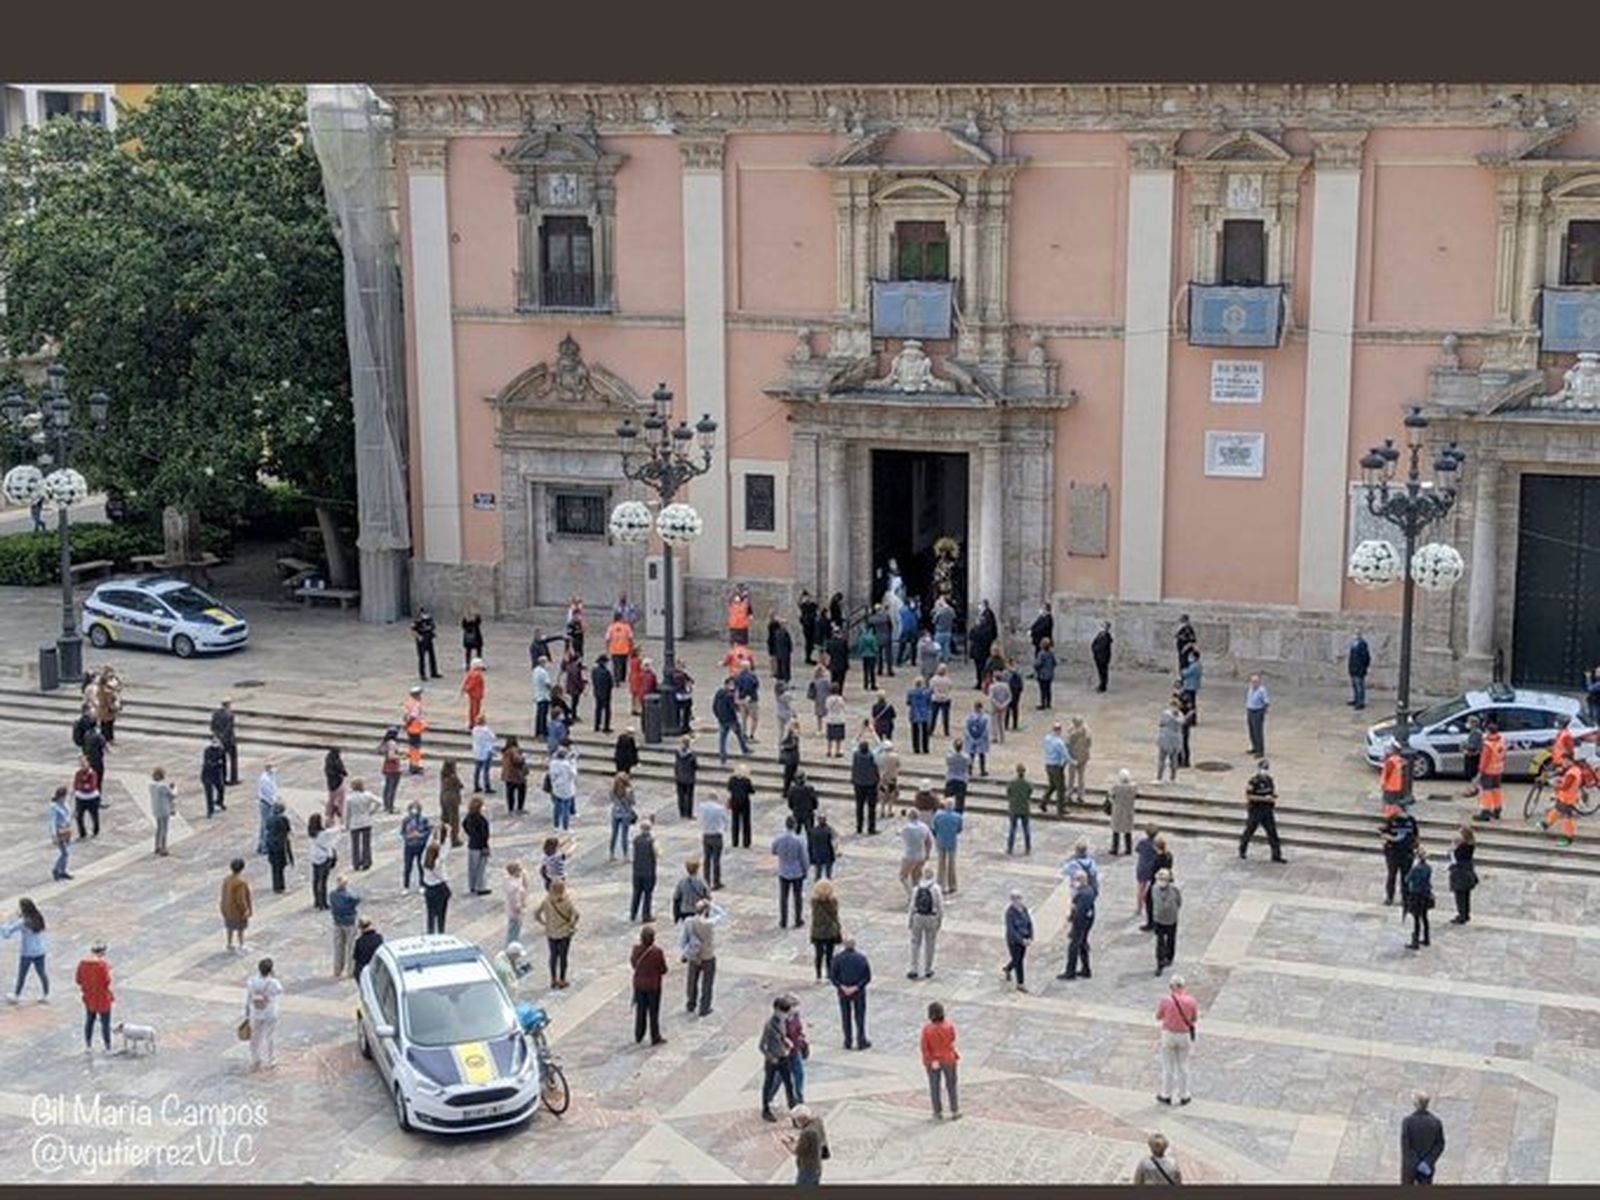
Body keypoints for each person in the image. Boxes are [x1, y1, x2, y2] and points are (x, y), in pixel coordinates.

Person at [1155, 976, 1198, 1106]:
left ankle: (1166, 1094)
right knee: (1183, 1065)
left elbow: (1158, 1016)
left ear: (1171, 986)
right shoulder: (1191, 1001)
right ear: (1184, 986)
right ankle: (1184, 1095)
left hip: (1168, 1034)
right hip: (1184, 1035)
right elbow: (1194, 1019)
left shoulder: (1165, 1000)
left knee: (1168, 1066)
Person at [534, 878, 580, 989]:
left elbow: (536, 914)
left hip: (551, 932)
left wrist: (544, 923)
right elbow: (576, 914)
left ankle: (553, 979)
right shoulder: (566, 901)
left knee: (553, 956)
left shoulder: (546, 901)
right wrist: (571, 924)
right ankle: (562, 979)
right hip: (564, 932)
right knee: (563, 957)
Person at [1239, 760, 1287, 862]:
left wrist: (1273, 797)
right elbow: (1249, 796)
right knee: (1249, 831)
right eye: (1262, 768)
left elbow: (1272, 792)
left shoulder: (1269, 780)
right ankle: (1242, 850)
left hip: (1267, 810)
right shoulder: (1253, 781)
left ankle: (1276, 856)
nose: (1264, 771)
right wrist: (1264, 799)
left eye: (1266, 769)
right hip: (1256, 810)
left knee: (1272, 833)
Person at [921, 1001, 961, 1119]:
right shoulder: (949, 1026)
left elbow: (924, 1047)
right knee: (951, 1085)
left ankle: (937, 1111)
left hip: (933, 1060)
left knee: (934, 1086)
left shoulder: (927, 1030)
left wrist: (930, 1059)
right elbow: (952, 1038)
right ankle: (955, 1110)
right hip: (948, 1058)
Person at [829, 939, 872, 1050]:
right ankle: (861, 1040)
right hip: (858, 992)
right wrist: (856, 987)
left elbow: (833, 976)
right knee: (860, 1017)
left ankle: (848, 1040)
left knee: (845, 1016)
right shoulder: (861, 959)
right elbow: (867, 977)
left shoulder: (837, 959)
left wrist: (841, 986)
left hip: (843, 992)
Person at [760, 996, 798, 1122]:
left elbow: (783, 1035)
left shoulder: (782, 1021)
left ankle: (793, 1108)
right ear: (776, 1009)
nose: (785, 1015)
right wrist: (771, 1057)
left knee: (789, 1084)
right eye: (783, 1012)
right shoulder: (769, 1026)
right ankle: (765, 1109)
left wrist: (786, 1041)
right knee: (768, 1084)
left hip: (783, 1056)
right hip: (773, 1059)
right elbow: (761, 1046)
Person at [4, 899, 49, 1003]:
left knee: (22, 974)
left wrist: (5, 924)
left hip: (27, 952)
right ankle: (46, 994)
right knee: (42, 973)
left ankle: (16, 995)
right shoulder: (38, 917)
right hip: (40, 950)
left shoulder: (23, 922)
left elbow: (8, 932)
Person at [631, 924, 668, 1046]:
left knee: (640, 1010)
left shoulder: (636, 949)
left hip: (639, 985)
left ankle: (639, 1034)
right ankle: (655, 1036)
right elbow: (663, 969)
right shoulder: (657, 952)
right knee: (653, 1012)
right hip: (653, 986)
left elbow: (633, 963)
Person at [75, 941, 114, 1056]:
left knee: (89, 1020)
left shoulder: (82, 964)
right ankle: (107, 1047)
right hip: (102, 998)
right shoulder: (102, 965)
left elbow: (78, 980)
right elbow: (106, 982)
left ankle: (88, 1045)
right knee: (105, 1023)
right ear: (102, 953)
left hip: (89, 997)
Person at [243, 957, 282, 1071]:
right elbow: (279, 990)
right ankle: (271, 1059)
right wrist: (273, 976)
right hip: (270, 1012)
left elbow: (248, 998)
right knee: (270, 1036)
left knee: (255, 1037)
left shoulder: (252, 981)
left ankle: (256, 1059)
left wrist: (247, 1014)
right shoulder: (273, 982)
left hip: (256, 1012)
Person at [682, 897, 718, 1018]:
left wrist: (686, 952)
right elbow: (723, 915)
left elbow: (683, 940)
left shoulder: (688, 922)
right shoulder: (709, 924)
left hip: (694, 955)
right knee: (707, 983)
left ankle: (691, 1004)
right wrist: (712, 905)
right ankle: (704, 1007)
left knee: (692, 981)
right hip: (708, 955)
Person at [1400, 1093, 1446, 1185]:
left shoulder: (1408, 1122)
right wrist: (1427, 1161)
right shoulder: (1436, 1122)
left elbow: (1406, 1146)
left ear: (1416, 1104)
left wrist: (1416, 1163)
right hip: (1427, 1167)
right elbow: (1440, 1144)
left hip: (1410, 1167)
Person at [773, 817, 810, 928]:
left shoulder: (779, 838)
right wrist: (805, 870)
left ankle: (783, 920)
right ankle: (798, 919)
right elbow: (804, 858)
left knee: (783, 897)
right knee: (797, 896)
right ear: (794, 825)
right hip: (796, 872)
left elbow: (773, 850)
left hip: (783, 870)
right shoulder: (799, 840)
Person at [907, 865, 943, 979]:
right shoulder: (936, 888)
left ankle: (914, 968)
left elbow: (912, 905)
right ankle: (928, 969)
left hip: (918, 916)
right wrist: (939, 921)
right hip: (931, 917)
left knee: (915, 943)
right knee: (930, 944)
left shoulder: (917, 888)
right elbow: (940, 906)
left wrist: (910, 920)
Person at [1059, 868, 1096, 980]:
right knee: (1082, 944)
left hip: (1081, 924)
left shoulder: (1083, 894)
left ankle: (1070, 972)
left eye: (1076, 880)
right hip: (1087, 921)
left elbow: (1078, 912)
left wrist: (1073, 923)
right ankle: (1086, 969)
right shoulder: (1089, 890)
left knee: (1073, 947)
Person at [1381, 807, 1420, 906]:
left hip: (1407, 852)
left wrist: (1416, 846)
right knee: (1392, 875)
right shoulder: (1391, 820)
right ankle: (1390, 897)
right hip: (1393, 853)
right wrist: (1392, 839)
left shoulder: (1411, 820)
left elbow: (1416, 834)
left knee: (1406, 876)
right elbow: (1384, 835)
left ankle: (1405, 898)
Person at [785, 1105, 829, 1187]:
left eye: (795, 1120)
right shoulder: (817, 1122)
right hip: (817, 1165)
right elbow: (812, 1140)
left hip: (807, 1169)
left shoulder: (807, 1133)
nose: (795, 1123)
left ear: (801, 1119)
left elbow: (797, 1151)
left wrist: (787, 1144)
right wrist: (798, 1140)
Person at [1544, 759, 1583, 846]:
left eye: (1565, 761)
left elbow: (1566, 786)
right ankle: (1546, 823)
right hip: (1566, 797)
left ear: (1571, 761)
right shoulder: (1574, 770)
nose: (1563, 763)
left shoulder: (1572, 773)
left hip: (1568, 798)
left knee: (1567, 818)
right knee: (1557, 809)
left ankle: (1568, 837)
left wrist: (1555, 784)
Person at [1150, 868, 1182, 975]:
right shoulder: (1154, 888)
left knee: (1171, 940)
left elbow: (1178, 901)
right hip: (1159, 919)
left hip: (1171, 919)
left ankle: (1169, 957)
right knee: (1160, 942)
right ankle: (1160, 963)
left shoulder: (1174, 890)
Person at [1473, 721, 1506, 821]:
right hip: (1498, 769)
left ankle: (1486, 812)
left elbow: (1484, 760)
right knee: (1496, 789)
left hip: (1488, 771)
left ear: (1488, 731)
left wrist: (1480, 772)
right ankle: (1497, 809)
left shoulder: (1488, 745)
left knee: (1486, 791)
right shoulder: (1502, 740)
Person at [329, 875, 361, 977]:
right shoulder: (349, 896)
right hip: (350, 923)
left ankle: (337, 969)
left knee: (338, 947)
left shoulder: (332, 895)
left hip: (337, 922)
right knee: (351, 947)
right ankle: (350, 971)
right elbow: (357, 899)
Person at [809, 879, 841, 981]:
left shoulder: (814, 901)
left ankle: (818, 975)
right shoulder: (833, 901)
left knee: (818, 954)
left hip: (817, 931)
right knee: (829, 954)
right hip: (830, 931)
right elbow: (835, 915)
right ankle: (829, 973)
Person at [421, 830, 452, 934]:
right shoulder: (437, 863)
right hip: (439, 889)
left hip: (429, 890)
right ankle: (441, 931)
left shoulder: (424, 861)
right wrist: (447, 835)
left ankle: (430, 932)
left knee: (430, 914)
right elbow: (445, 851)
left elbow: (427, 847)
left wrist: (433, 834)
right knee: (441, 914)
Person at [308, 813, 340, 911]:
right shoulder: (324, 834)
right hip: (324, 858)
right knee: (323, 882)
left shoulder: (312, 833)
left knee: (316, 880)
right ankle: (323, 903)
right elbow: (336, 831)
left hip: (314, 858)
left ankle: (317, 901)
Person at [1002, 889, 1033, 991]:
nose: (1019, 900)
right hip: (1014, 942)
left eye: (1020, 898)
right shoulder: (1009, 913)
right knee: (1019, 961)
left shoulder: (1023, 909)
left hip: (1024, 938)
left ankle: (1008, 968)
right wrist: (1021, 940)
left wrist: (1030, 936)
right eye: (1016, 898)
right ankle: (1020, 983)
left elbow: (1029, 922)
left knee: (1019, 958)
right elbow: (1011, 930)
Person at [898, 809, 934, 897]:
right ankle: (917, 894)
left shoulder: (906, 828)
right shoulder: (924, 827)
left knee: (903, 876)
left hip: (909, 855)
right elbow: (929, 842)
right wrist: (927, 854)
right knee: (916, 877)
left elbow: (900, 834)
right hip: (921, 854)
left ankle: (911, 894)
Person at [1404, 848, 1434, 950]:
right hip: (1426, 893)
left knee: (1416, 919)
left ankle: (1415, 941)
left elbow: (1407, 879)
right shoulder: (1428, 868)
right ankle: (1426, 938)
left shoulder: (1415, 869)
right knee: (1425, 917)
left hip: (1416, 894)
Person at [220, 858, 253, 954]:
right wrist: (245, 909)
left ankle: (229, 943)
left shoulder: (227, 879)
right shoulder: (240, 882)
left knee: (230, 927)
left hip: (227, 908)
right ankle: (241, 944)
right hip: (237, 910)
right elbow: (241, 898)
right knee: (240, 928)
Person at [344, 777, 377, 872]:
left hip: (355, 823)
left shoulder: (349, 798)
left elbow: (347, 813)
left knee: (355, 845)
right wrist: (371, 811)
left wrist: (346, 824)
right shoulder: (367, 795)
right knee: (366, 843)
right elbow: (379, 802)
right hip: (366, 821)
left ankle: (356, 863)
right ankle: (367, 861)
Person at [931, 797, 963, 894]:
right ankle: (952, 885)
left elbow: (935, 827)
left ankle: (941, 884)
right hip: (952, 841)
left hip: (941, 840)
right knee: (951, 864)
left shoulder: (938, 816)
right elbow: (959, 829)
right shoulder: (958, 817)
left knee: (941, 864)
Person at [462, 796, 492, 895]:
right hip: (480, 846)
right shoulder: (480, 819)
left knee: (472, 867)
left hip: (472, 844)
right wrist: (485, 846)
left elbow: (464, 824)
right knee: (481, 868)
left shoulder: (469, 816)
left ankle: (472, 886)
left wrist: (470, 834)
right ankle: (480, 887)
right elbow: (484, 834)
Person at [1448, 826, 1478, 925]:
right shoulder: (1470, 845)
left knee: (1460, 895)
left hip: (1460, 872)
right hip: (1467, 870)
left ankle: (1461, 915)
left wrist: (1453, 848)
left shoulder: (1462, 847)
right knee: (1466, 895)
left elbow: (1454, 859)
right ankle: (1465, 914)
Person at [700, 787, 728, 889]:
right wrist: (724, 828)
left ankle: (706, 879)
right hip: (716, 835)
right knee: (716, 860)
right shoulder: (720, 808)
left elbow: (700, 819)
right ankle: (716, 881)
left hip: (706, 834)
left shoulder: (702, 806)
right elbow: (725, 820)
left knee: (706, 859)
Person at [850, 739, 880, 835]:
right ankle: (871, 828)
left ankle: (859, 827)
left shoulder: (856, 755)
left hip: (858, 784)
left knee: (859, 807)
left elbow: (853, 744)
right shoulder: (871, 756)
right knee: (871, 808)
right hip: (870, 784)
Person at [605, 772, 637, 862]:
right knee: (624, 835)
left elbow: (612, 800)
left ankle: (611, 854)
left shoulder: (612, 791)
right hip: (626, 813)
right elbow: (633, 802)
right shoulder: (629, 791)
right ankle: (625, 855)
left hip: (615, 812)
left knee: (614, 834)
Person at [145, 766, 176, 858]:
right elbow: (173, 795)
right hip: (164, 809)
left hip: (156, 809)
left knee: (159, 828)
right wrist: (174, 788)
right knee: (164, 829)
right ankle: (163, 848)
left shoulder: (151, 786)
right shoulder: (163, 786)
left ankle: (157, 846)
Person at [631, 821, 658, 923]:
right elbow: (658, 854)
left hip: (637, 871)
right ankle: (646, 915)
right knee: (647, 894)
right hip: (648, 871)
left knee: (636, 893)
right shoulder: (651, 841)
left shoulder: (636, 840)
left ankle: (633, 913)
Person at [400, 802, 431, 891]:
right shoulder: (406, 820)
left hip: (420, 845)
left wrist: (420, 835)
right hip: (409, 846)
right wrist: (408, 837)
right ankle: (406, 886)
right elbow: (402, 832)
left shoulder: (423, 820)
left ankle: (422, 884)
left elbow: (428, 831)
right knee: (407, 866)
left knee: (421, 866)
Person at [1134, 825, 1160, 930]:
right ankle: (1149, 905)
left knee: (1141, 887)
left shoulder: (1142, 842)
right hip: (1152, 868)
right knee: (1151, 889)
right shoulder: (1156, 844)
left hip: (1142, 867)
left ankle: (1139, 908)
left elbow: (1137, 850)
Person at [1041, 721, 1070, 813]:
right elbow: (1065, 755)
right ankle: (1061, 808)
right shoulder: (1059, 742)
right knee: (1061, 788)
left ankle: (1043, 802)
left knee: (1052, 785)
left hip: (1048, 764)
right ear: (1059, 730)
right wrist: (1073, 761)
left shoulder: (1047, 738)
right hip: (1056, 766)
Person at [548, 746, 579, 831]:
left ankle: (556, 825)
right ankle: (565, 827)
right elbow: (574, 774)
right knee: (566, 807)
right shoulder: (567, 765)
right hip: (567, 788)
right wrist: (573, 762)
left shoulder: (553, 763)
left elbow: (551, 775)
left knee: (557, 807)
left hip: (557, 787)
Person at [211, 697, 241, 785]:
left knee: (222, 760)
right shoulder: (230, 715)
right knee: (233, 759)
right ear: (228, 704)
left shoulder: (215, 714)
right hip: (229, 740)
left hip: (219, 740)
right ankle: (233, 778)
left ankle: (222, 778)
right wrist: (224, 737)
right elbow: (229, 728)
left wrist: (218, 736)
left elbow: (212, 727)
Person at [265, 802, 293, 894]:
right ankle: (280, 886)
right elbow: (288, 829)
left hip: (270, 844)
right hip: (280, 844)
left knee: (274, 866)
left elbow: (267, 828)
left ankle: (276, 885)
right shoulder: (283, 819)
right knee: (280, 866)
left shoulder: (269, 818)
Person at [671, 858, 710, 925]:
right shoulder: (701, 881)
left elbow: (676, 897)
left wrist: (676, 915)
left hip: (685, 911)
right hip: (698, 911)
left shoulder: (682, 881)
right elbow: (707, 896)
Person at [1109, 768, 1138, 855]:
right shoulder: (1133, 787)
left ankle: (1115, 848)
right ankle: (1128, 849)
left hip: (1118, 810)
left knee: (1116, 831)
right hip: (1128, 811)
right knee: (1128, 831)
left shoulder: (1116, 787)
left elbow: (1111, 795)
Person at [1006, 763, 1033, 855]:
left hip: (1014, 808)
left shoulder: (1012, 783)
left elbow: (1008, 793)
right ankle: (1028, 847)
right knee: (1026, 829)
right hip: (1024, 808)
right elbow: (1030, 793)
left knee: (1012, 829)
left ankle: (1010, 848)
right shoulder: (1027, 784)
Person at [48, 787, 73, 881]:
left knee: (68, 851)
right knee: (65, 853)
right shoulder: (54, 807)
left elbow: (67, 815)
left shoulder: (65, 804)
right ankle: (56, 869)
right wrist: (54, 835)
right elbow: (52, 821)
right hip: (59, 831)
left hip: (66, 830)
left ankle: (63, 870)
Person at [1157, 701, 1184, 782]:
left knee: (1163, 758)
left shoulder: (1167, 714)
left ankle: (1160, 778)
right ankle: (1172, 778)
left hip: (1166, 738)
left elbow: (1161, 723)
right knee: (1173, 759)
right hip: (1175, 739)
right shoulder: (1181, 716)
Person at [1380, 741, 1409, 817]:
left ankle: (1389, 821)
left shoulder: (1391, 761)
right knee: (1394, 804)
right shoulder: (1400, 760)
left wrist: (1383, 783)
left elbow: (1387, 773)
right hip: (1397, 786)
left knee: (1389, 804)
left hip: (1390, 786)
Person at [403, 685, 427, 775]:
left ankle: (412, 764)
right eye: (419, 694)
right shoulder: (416, 704)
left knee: (412, 747)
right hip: (415, 728)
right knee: (416, 748)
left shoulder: (409, 702)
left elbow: (405, 715)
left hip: (411, 729)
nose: (421, 696)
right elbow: (413, 716)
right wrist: (408, 724)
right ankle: (415, 766)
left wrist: (406, 724)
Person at [503, 861, 529, 948]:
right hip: (515, 911)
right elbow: (515, 899)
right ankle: (511, 946)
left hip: (511, 910)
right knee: (514, 929)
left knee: (513, 928)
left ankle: (511, 944)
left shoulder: (509, 880)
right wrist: (519, 909)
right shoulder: (514, 886)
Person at [500, 735, 528, 815]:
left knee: (510, 793)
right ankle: (520, 808)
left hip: (507, 775)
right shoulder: (514, 750)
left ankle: (510, 809)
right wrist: (523, 758)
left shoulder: (505, 751)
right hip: (516, 775)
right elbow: (517, 760)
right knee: (521, 791)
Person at [378, 727, 403, 813]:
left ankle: (386, 805)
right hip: (394, 768)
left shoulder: (384, 743)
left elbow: (381, 751)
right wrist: (400, 757)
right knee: (392, 788)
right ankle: (390, 806)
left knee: (387, 787)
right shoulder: (392, 743)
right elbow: (391, 756)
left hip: (386, 767)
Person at [674, 734, 699, 819]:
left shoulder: (677, 752)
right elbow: (695, 766)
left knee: (681, 796)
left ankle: (682, 813)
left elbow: (676, 764)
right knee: (689, 796)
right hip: (689, 778)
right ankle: (689, 813)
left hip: (680, 777)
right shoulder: (692, 754)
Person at [1244, 674, 1270, 758]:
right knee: (1251, 731)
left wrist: (1263, 712)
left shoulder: (1262, 690)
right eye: (1252, 682)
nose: (1253, 684)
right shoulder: (1250, 689)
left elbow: (1266, 702)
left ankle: (1260, 751)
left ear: (1259, 682)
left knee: (1258, 732)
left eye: (1255, 682)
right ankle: (1254, 747)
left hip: (1257, 711)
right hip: (1250, 710)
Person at [411, 607, 440, 680]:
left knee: (432, 656)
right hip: (422, 640)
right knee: (422, 658)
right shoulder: (418, 620)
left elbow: (432, 627)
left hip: (429, 638)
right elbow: (413, 630)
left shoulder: (429, 619)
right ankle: (422, 674)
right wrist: (418, 637)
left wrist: (433, 634)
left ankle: (433, 672)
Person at [965, 700, 991, 777]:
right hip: (980, 739)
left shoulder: (969, 717)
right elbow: (986, 729)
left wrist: (970, 737)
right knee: (980, 755)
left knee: (973, 754)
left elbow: (967, 728)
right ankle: (981, 770)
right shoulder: (985, 717)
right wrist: (982, 737)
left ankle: (970, 770)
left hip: (972, 738)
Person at [808, 809, 837, 880]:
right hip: (828, 855)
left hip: (817, 855)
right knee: (828, 875)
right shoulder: (829, 830)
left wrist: (811, 857)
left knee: (818, 874)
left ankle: (817, 887)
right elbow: (834, 843)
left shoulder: (813, 831)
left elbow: (810, 845)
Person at [352, 917, 383, 982]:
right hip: (377, 968)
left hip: (362, 971)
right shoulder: (378, 938)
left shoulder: (359, 941)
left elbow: (355, 957)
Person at [590, 655, 615, 734]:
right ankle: (606, 727)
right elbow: (610, 684)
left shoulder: (594, 671)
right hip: (606, 694)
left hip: (597, 692)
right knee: (607, 710)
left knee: (598, 709)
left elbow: (593, 681)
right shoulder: (606, 672)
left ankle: (596, 726)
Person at [944, 738, 970, 813]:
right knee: (960, 802)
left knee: (948, 800)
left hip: (951, 779)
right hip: (961, 780)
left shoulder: (950, 757)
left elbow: (947, 762)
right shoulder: (965, 757)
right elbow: (968, 764)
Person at [462, 656, 487, 732]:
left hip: (472, 694)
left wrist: (464, 688)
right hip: (476, 694)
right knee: (475, 710)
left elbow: (466, 681)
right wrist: (467, 688)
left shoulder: (471, 673)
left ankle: (472, 722)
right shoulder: (477, 675)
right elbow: (472, 684)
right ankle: (474, 723)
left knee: (472, 709)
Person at [929, 663, 955, 738]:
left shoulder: (934, 679)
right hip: (946, 698)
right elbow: (950, 687)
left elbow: (931, 688)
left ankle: (931, 730)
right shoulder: (947, 680)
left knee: (933, 716)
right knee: (946, 717)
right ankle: (946, 731)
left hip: (936, 699)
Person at [987, 672, 1012, 744]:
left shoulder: (992, 686)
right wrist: (1004, 704)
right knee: (1001, 722)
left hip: (994, 707)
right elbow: (1009, 697)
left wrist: (997, 704)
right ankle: (1002, 737)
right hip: (1003, 707)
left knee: (993, 722)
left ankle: (994, 737)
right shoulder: (1006, 686)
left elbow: (991, 698)